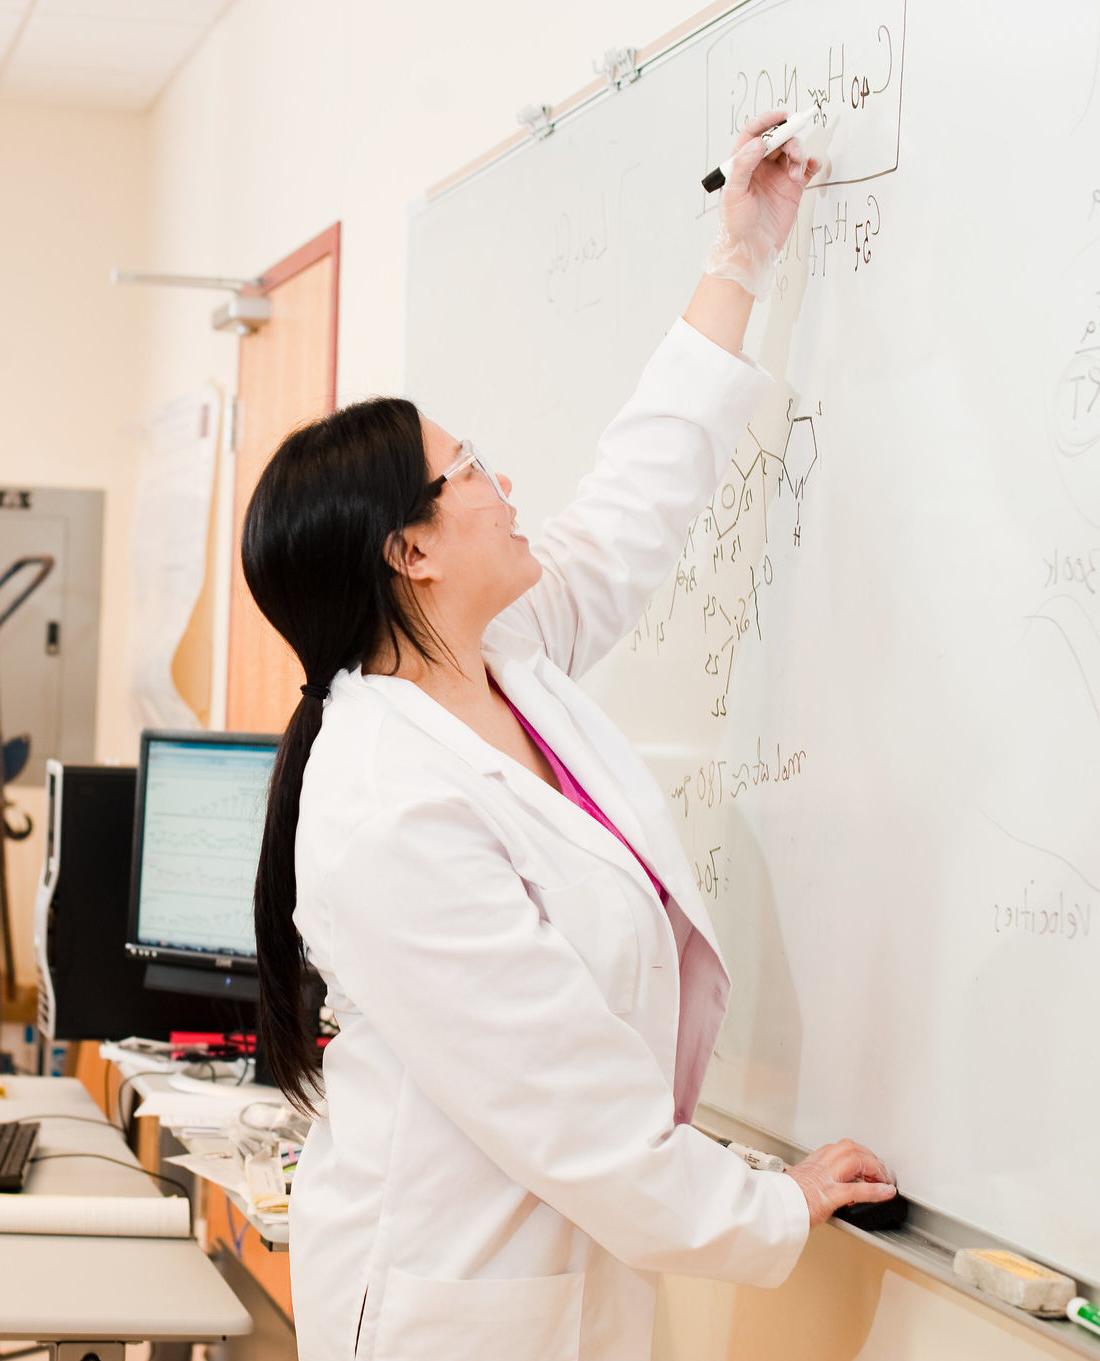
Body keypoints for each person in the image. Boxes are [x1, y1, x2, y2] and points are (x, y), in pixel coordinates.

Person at [242, 110, 897, 1361]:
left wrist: (741, 256)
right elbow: (569, 1105)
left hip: (558, 1284)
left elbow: (641, 490)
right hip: (454, 1312)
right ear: (411, 549)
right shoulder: (385, 803)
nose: (502, 479)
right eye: (470, 466)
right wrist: (771, 1202)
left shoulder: (504, 662)